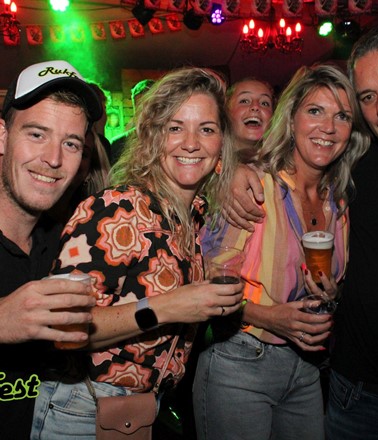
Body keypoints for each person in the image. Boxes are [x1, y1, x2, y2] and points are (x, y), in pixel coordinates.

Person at [223, 25, 378, 439]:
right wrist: (233, 168)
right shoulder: (357, 164)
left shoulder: (347, 173)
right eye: (368, 97)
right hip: (355, 391)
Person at [31, 67, 244, 439]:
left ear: (221, 144)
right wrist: (168, 307)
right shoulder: (119, 208)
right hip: (83, 409)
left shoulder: (189, 217)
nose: (191, 143)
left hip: (139, 407)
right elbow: (63, 328)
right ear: (152, 137)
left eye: (207, 129)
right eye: (175, 127)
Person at [192, 64, 370, 440]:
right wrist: (269, 317)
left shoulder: (338, 201)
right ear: (291, 119)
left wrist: (332, 294)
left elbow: (336, 283)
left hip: (307, 368)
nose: (328, 127)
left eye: (342, 116)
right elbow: (205, 280)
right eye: (315, 111)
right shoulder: (255, 187)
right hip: (240, 361)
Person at [0, 60, 102, 439]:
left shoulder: (68, 245)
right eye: (37, 134)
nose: (54, 159)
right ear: (2, 137)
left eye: (71, 143)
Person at [48, 126, 111, 224]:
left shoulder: (95, 222)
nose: (56, 160)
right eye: (69, 145)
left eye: (83, 154)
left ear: (89, 171)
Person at [227, 77, 274, 163]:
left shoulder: (285, 166)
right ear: (226, 111)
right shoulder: (208, 162)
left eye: (264, 103)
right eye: (244, 101)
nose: (255, 106)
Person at [110, 78, 155, 164]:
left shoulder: (171, 140)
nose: (142, 112)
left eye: (147, 106)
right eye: (138, 106)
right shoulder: (119, 144)